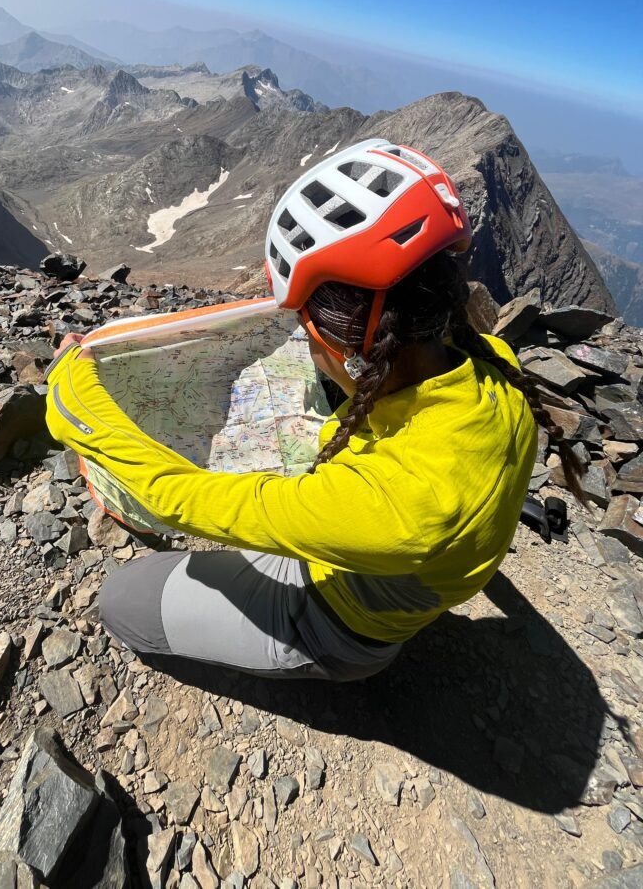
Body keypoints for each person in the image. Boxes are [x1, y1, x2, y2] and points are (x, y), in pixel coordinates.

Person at [44, 139, 584, 682]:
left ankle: (310, 660)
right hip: (387, 559)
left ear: (343, 344)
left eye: (303, 328)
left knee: (121, 599)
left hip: (337, 628)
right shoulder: (496, 365)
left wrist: (72, 391)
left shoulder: (396, 508)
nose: (302, 343)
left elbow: (171, 495)